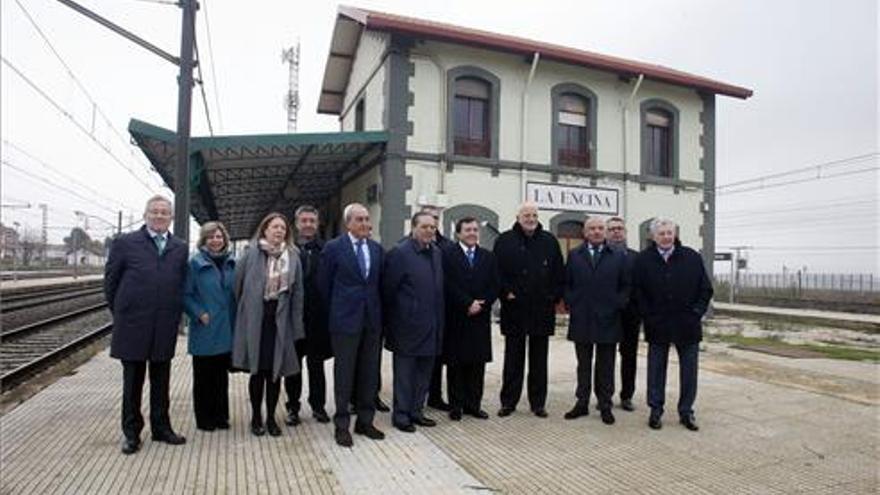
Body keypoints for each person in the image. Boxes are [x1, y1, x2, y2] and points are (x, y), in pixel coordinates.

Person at [104, 195, 188, 455]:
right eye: (155, 212)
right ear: (145, 215)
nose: (160, 216)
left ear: (171, 217)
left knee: (161, 380)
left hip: (164, 323)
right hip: (133, 324)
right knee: (133, 382)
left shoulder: (179, 247)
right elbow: (111, 282)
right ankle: (131, 433)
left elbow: (181, 282)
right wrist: (122, 311)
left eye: (165, 212)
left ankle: (162, 428)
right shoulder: (125, 243)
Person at [633, 217, 713, 431]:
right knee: (656, 370)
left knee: (689, 371)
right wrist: (647, 315)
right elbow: (637, 292)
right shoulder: (643, 260)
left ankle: (686, 412)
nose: (667, 237)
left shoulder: (691, 257)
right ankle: (655, 410)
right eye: (662, 233)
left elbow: (705, 289)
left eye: (670, 233)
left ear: (675, 234)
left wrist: (696, 313)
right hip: (657, 323)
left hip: (687, 324)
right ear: (653, 236)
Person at [317, 203, 386, 447]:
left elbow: (379, 285)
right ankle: (342, 424)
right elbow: (323, 287)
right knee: (344, 374)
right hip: (344, 321)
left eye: (367, 219)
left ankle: (365, 421)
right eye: (360, 220)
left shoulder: (377, 250)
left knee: (369, 372)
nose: (366, 224)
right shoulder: (334, 248)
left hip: (371, 321)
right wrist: (339, 310)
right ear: (348, 223)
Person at [232, 212, 305, 438]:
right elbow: (238, 286)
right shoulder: (250, 253)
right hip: (256, 320)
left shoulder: (293, 256)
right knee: (258, 371)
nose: (279, 231)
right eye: (274, 227)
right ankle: (255, 417)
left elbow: (298, 294)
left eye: (282, 228)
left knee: (275, 373)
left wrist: (296, 327)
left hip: (279, 322)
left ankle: (271, 418)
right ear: (264, 230)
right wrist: (245, 314)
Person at [493, 202, 564, 418]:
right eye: (526, 215)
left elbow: (558, 272)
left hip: (541, 309)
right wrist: (506, 292)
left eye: (534, 215)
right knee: (513, 359)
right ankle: (508, 402)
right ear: (518, 217)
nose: (531, 218)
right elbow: (496, 272)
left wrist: (553, 297)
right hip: (514, 308)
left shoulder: (549, 241)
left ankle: (538, 403)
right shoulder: (504, 240)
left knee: (539, 360)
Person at [562, 216, 629, 425]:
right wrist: (572, 302)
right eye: (592, 228)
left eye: (601, 228)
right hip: (582, 317)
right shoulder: (574, 255)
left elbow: (626, 286)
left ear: (605, 231)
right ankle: (581, 403)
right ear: (585, 232)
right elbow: (567, 283)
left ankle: (605, 405)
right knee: (583, 364)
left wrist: (617, 304)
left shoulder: (618, 255)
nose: (597, 232)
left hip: (609, 318)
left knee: (606, 365)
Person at [383, 212, 445, 432]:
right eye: (425, 227)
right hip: (406, 327)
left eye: (433, 227)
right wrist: (398, 320)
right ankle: (401, 415)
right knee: (405, 376)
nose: (430, 231)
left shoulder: (436, 253)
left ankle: (417, 411)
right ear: (414, 228)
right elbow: (388, 291)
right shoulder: (400, 253)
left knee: (423, 375)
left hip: (431, 325)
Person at [442, 217, 499, 421]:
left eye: (475, 229)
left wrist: (482, 305)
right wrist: (467, 303)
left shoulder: (488, 257)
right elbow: (446, 284)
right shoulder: (447, 255)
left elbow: (495, 284)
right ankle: (456, 406)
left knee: (477, 364)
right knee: (456, 364)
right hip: (458, 316)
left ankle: (473, 405)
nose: (473, 233)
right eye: (467, 230)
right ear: (458, 233)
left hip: (479, 318)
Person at [183, 221, 236, 432]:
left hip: (225, 326)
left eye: (219, 237)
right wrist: (198, 313)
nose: (216, 241)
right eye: (211, 237)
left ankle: (221, 416)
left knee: (221, 377)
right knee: (203, 376)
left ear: (225, 239)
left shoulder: (233, 262)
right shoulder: (194, 264)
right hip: (205, 326)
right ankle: (204, 419)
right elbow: (185, 294)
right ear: (204, 240)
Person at [283, 205, 332, 426]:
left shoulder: (328, 250)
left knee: (316, 365)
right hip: (293, 319)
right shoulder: (287, 250)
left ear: (318, 222)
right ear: (296, 223)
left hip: (318, 319)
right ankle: (293, 407)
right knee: (293, 367)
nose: (308, 224)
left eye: (312, 220)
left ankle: (318, 406)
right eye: (304, 221)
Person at [605, 216, 642, 411]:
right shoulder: (601, 255)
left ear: (625, 232)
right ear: (606, 233)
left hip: (630, 315)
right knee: (606, 358)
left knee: (629, 357)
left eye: (620, 229)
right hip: (608, 315)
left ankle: (627, 396)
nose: (616, 232)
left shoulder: (637, 257)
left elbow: (642, 286)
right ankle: (606, 396)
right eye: (612, 229)